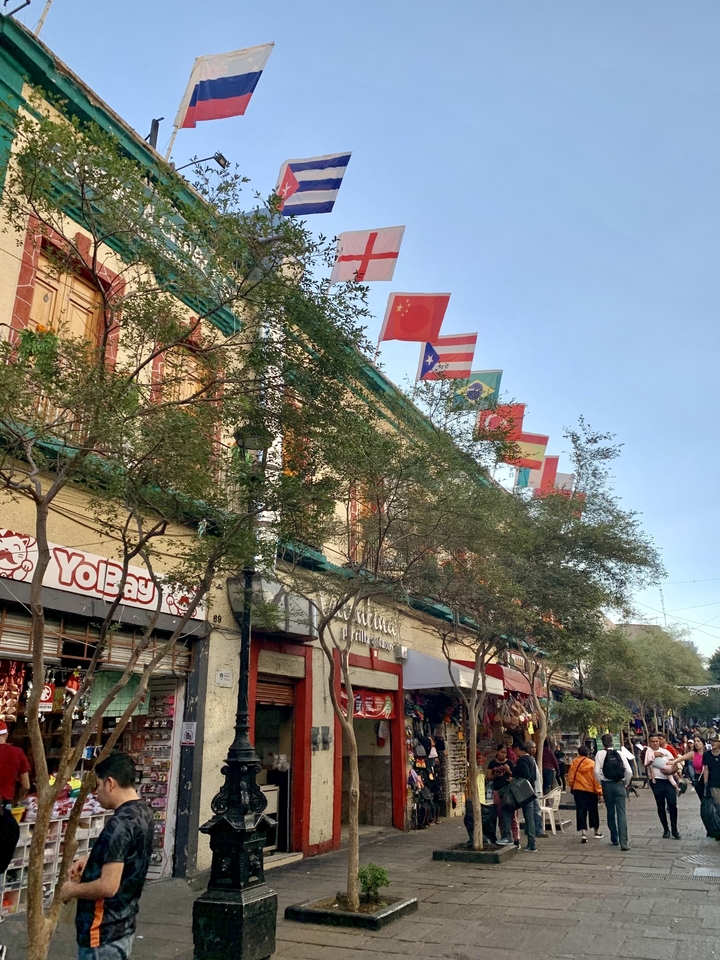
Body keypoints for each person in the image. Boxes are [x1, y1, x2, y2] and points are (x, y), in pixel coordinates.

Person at [60, 752, 153, 960]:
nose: (96, 792)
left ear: (110, 783)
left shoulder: (120, 824)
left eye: (98, 785)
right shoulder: (143, 812)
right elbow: (126, 856)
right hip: (123, 925)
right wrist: (93, 859)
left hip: (102, 933)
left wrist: (71, 890)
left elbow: (108, 886)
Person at [0, 720, 30, 875]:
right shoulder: (17, 753)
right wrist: (16, 799)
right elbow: (26, 785)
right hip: (4, 811)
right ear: (6, 735)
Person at [594, 733, 632, 850]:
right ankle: (624, 842)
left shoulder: (600, 754)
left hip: (607, 786)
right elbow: (629, 771)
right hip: (620, 784)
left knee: (610, 812)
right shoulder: (620, 753)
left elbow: (596, 771)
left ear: (602, 743)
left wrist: (602, 782)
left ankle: (614, 838)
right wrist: (625, 783)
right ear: (613, 742)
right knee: (621, 813)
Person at [645, 734, 681, 839]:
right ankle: (666, 829)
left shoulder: (666, 752)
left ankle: (674, 829)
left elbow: (675, 765)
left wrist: (670, 771)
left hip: (668, 781)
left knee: (672, 804)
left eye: (656, 741)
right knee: (660, 805)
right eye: (652, 741)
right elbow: (646, 763)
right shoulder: (647, 752)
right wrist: (654, 756)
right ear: (649, 742)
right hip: (656, 781)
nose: (655, 743)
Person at [567, 745, 603, 843]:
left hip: (579, 790)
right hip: (591, 791)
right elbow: (596, 780)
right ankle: (596, 831)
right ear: (587, 753)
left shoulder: (574, 762)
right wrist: (600, 792)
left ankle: (584, 833)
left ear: (579, 753)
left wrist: (573, 786)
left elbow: (570, 778)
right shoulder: (592, 764)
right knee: (593, 811)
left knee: (581, 811)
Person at [487, 744, 519, 846]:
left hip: (509, 791)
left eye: (505, 753)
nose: (503, 755)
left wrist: (508, 771)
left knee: (512, 815)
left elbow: (514, 775)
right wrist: (496, 775)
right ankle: (504, 836)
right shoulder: (492, 763)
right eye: (501, 752)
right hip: (497, 790)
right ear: (497, 752)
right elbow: (488, 777)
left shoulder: (509, 763)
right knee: (500, 814)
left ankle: (516, 837)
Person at [512, 741, 538, 852]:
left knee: (528, 817)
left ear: (518, 748)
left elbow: (525, 774)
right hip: (531, 790)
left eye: (515, 750)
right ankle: (532, 843)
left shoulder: (522, 760)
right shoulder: (531, 759)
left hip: (524, 791)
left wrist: (512, 774)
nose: (515, 753)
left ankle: (531, 844)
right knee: (530, 817)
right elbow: (534, 776)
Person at [703, 735, 720, 805]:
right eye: (711, 741)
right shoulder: (707, 755)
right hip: (713, 783)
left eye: (715, 741)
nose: (713, 743)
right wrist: (705, 784)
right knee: (717, 804)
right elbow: (706, 770)